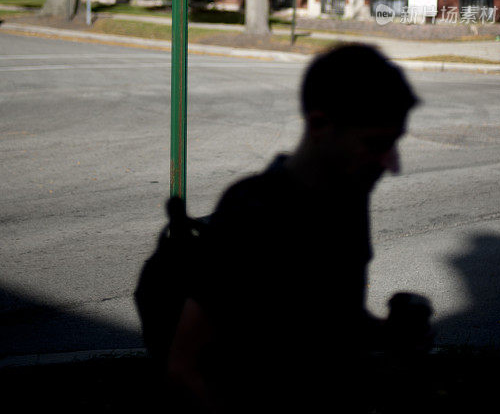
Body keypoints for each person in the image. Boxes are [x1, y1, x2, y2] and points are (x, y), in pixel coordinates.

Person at [167, 44, 431, 413]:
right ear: (320, 124)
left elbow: (336, 319)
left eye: (394, 144)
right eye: (376, 145)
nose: (391, 165)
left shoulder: (349, 200)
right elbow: (184, 367)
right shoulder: (252, 212)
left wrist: (391, 333)